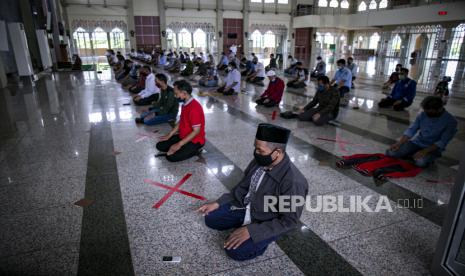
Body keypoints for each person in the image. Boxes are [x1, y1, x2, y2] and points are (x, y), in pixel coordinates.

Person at [197, 123, 308, 261]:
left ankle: (261, 240)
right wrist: (219, 203)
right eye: (255, 148)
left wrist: (253, 231)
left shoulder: (293, 182)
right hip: (246, 207)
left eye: (260, 150)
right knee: (211, 218)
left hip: (266, 220)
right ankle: (243, 225)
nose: (256, 153)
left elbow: (289, 221)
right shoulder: (258, 162)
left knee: (235, 251)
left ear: (277, 153)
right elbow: (241, 189)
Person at [386, 96, 457, 167]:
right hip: (417, 143)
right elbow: (412, 130)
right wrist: (399, 143)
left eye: (430, 112)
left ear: (439, 109)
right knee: (391, 153)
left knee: (420, 162)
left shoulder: (451, 121)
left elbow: (442, 141)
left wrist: (424, 151)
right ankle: (412, 154)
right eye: (426, 111)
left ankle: (423, 156)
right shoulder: (423, 114)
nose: (426, 114)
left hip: (433, 148)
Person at [156, 80, 205, 162]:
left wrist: (179, 144)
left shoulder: (194, 108)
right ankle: (182, 146)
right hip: (183, 136)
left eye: (176, 94)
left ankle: (196, 150)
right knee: (160, 146)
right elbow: (181, 120)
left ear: (184, 93)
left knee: (171, 157)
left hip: (195, 140)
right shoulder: (185, 104)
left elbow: (196, 131)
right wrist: (170, 135)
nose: (175, 96)